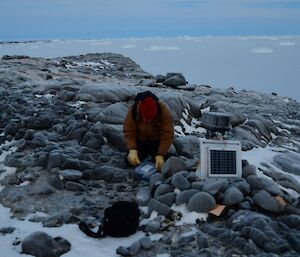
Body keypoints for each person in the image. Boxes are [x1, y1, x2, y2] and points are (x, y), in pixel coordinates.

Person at [123, 91, 174, 171]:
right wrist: (132, 149)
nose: (147, 121)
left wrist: (161, 154)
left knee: (159, 162)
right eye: (145, 119)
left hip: (156, 140)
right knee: (129, 161)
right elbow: (129, 132)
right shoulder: (134, 110)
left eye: (150, 119)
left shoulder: (162, 110)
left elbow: (167, 134)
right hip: (140, 140)